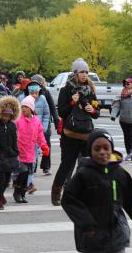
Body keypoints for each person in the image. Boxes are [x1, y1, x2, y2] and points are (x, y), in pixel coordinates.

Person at [61, 129, 132, 253]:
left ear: (112, 150)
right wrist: (86, 223)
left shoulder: (120, 174)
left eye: (106, 148)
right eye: (97, 149)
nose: (102, 152)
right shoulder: (83, 174)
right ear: (90, 151)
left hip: (115, 229)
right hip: (92, 232)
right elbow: (69, 200)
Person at [51, 58, 100, 206]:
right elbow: (62, 112)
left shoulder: (90, 90)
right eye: (81, 72)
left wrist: (93, 110)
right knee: (66, 165)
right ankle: (56, 192)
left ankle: (82, 193)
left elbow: (96, 113)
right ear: (75, 73)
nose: (84, 75)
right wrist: (72, 102)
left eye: (86, 72)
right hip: (70, 133)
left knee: (87, 166)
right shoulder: (66, 90)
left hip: (86, 133)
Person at [14, 96, 50, 203]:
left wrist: (44, 146)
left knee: (28, 174)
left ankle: (22, 193)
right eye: (22, 107)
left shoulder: (36, 121)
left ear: (31, 109)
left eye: (26, 107)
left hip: (30, 152)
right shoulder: (18, 120)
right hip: (19, 151)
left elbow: (40, 135)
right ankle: (17, 191)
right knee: (23, 172)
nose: (24, 109)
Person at [0, 96, 21, 210]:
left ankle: (1, 194)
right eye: (4, 115)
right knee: (1, 180)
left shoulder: (12, 125)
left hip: (10, 156)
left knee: (7, 181)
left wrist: (16, 151)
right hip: (0, 157)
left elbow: (14, 140)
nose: (6, 118)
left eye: (8, 115)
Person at [31, 74, 59, 175]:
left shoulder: (46, 92)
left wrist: (56, 121)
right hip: (32, 123)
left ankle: (46, 166)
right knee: (33, 145)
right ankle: (32, 167)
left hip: (45, 123)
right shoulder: (28, 92)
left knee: (46, 144)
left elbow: (52, 107)